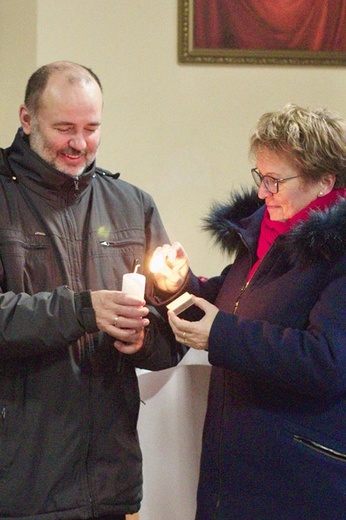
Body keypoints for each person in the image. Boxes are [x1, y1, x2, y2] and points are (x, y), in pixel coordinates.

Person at [0, 61, 184, 519]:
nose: (79, 144)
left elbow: (175, 330)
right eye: (64, 128)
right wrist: (82, 310)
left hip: (110, 483)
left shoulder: (133, 205)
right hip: (19, 483)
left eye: (91, 128)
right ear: (26, 119)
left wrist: (143, 339)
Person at [150, 104, 346, 519]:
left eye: (275, 180)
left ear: (325, 181)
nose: (262, 192)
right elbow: (224, 299)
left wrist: (220, 335)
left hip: (299, 479)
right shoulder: (265, 236)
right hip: (235, 471)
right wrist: (177, 284)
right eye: (261, 177)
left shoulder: (338, 251)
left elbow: (328, 359)